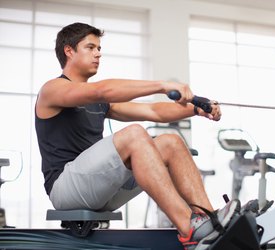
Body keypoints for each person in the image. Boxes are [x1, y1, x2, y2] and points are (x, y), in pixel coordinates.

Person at [34, 22, 240, 250]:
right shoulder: (52, 90)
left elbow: (152, 111)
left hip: (99, 189)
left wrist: (196, 108)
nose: (98, 54)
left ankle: (208, 222)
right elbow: (100, 90)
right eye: (90, 47)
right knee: (134, 135)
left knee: (171, 142)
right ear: (69, 51)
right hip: (65, 189)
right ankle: (188, 228)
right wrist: (162, 85)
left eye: (99, 48)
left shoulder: (102, 102)